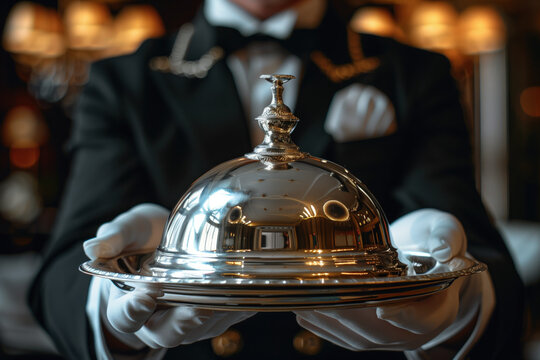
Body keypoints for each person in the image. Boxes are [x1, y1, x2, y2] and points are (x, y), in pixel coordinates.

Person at [29, 0, 524, 359]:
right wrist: (115, 307)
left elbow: (486, 260)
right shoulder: (125, 79)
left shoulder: (413, 72)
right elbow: (64, 270)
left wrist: (457, 306)